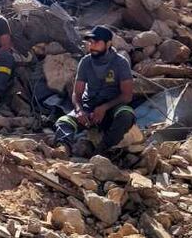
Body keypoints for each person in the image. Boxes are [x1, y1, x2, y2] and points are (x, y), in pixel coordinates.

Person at [53, 26, 136, 154]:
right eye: (90, 42)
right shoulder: (85, 62)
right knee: (64, 122)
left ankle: (102, 151)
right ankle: (63, 149)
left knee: (126, 115)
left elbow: (127, 96)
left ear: (108, 44)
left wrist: (104, 107)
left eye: (96, 42)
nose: (92, 46)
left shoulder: (120, 63)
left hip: (112, 107)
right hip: (89, 106)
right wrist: (80, 110)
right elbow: (77, 93)